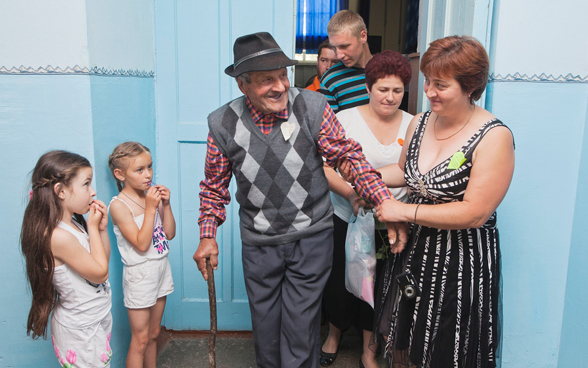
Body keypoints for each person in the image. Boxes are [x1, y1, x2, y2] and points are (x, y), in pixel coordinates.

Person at [192, 31, 407, 368]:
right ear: (242, 85)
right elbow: (214, 187)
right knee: (265, 329)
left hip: (311, 237)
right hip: (260, 242)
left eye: (283, 75)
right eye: (266, 80)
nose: (280, 86)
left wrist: (383, 202)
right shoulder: (222, 124)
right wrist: (208, 236)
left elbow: (348, 158)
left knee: (299, 326)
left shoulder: (312, 106)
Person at [341, 35, 514, 368]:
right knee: (405, 337)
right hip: (413, 252)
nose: (430, 91)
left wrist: (401, 210)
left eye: (441, 85)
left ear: (470, 87)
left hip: (459, 261)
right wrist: (367, 178)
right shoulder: (421, 122)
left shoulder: (493, 136)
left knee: (446, 344)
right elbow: (406, 172)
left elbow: (475, 212)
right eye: (428, 81)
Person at [321, 50, 413, 368]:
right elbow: (324, 167)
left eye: (397, 91)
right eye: (382, 89)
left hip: (392, 224)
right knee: (340, 285)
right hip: (346, 218)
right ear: (369, 86)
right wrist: (350, 193)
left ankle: (368, 351)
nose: (389, 97)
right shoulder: (344, 120)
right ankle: (333, 335)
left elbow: (415, 171)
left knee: (378, 289)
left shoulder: (414, 125)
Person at [20, 150, 113, 367]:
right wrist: (91, 225)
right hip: (80, 329)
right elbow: (100, 274)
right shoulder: (58, 236)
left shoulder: (73, 224)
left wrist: (100, 230)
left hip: (93, 319)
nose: (93, 192)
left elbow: (101, 262)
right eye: (86, 184)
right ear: (60, 191)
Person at [108, 142, 176, 368]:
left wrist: (166, 204)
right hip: (140, 275)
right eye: (139, 170)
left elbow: (169, 234)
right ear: (120, 174)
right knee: (140, 339)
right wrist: (150, 208)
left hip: (160, 268)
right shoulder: (118, 206)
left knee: (154, 333)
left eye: (150, 167)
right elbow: (141, 243)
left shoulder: (151, 198)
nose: (148, 174)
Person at [319, 10, 373, 113]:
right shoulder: (329, 81)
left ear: (363, 36)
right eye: (334, 48)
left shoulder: (386, 69)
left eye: (344, 46)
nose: (339, 55)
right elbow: (330, 128)